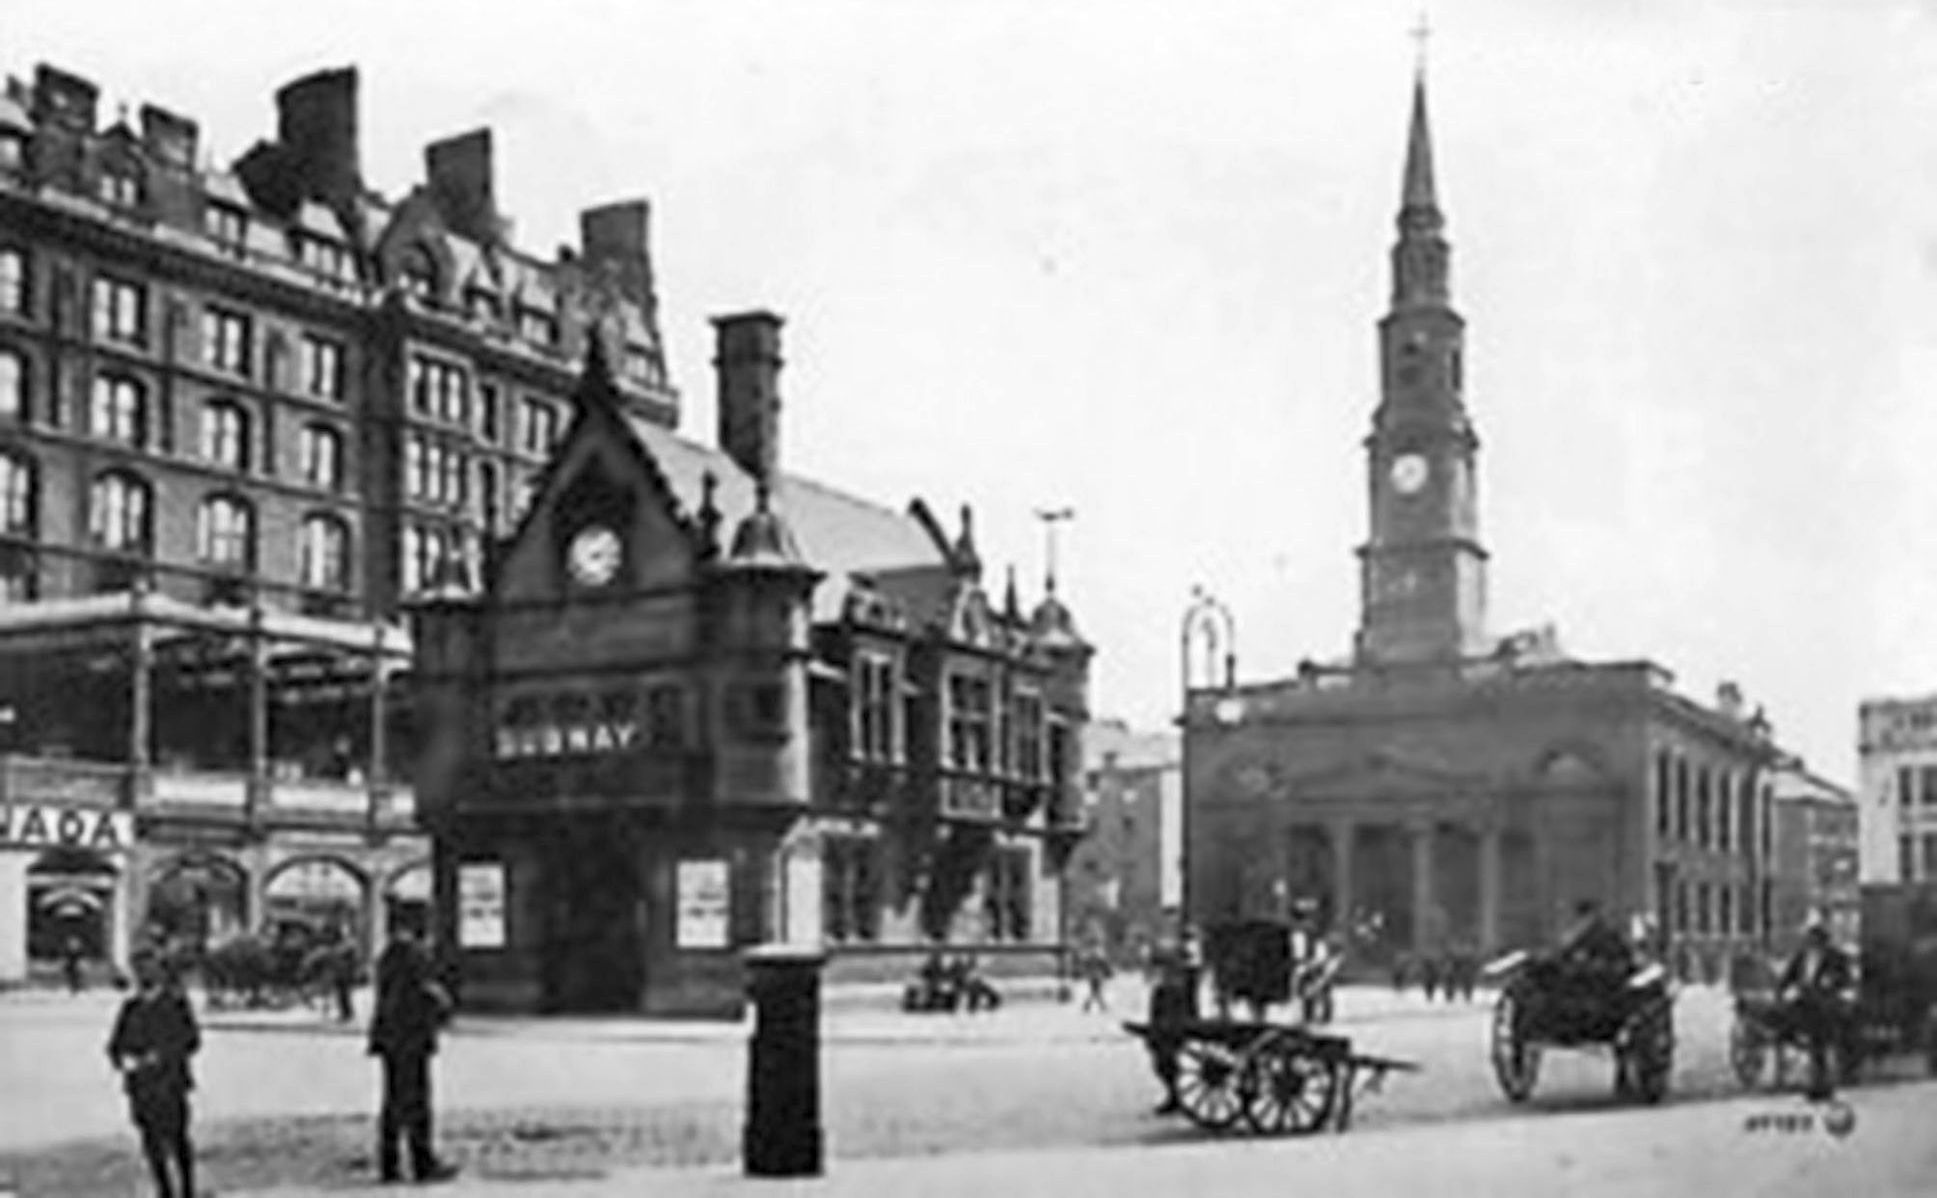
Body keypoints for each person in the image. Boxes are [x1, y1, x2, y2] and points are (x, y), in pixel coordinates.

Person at [107, 948, 200, 1198]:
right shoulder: (131, 1008)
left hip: (171, 1083)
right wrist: (124, 1060)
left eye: (148, 967)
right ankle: (164, 1190)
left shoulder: (175, 1003)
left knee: (178, 1138)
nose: (143, 974)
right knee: (150, 1141)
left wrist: (163, 1056)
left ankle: (187, 1188)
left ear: (159, 970)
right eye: (138, 969)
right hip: (141, 1086)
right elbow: (115, 1045)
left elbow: (191, 1040)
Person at [368, 929, 459, 1184]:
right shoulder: (412, 953)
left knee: (393, 1101)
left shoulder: (389, 953)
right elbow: (424, 991)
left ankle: (390, 1163)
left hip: (392, 1037)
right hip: (411, 1035)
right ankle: (422, 1161)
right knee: (416, 1101)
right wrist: (442, 1004)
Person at [1777, 921, 1856, 1101]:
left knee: (1819, 1046)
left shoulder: (1836, 958)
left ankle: (1821, 1086)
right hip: (1805, 1004)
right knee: (1813, 1046)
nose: (1813, 943)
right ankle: (1814, 1082)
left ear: (1823, 941)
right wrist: (1781, 993)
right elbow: (1787, 978)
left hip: (1825, 1006)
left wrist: (1832, 984)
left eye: (1817, 940)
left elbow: (1846, 980)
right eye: (1810, 939)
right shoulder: (1801, 957)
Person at [1144, 937, 1199, 1115]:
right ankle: (1173, 1094)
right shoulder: (1163, 989)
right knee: (1162, 1062)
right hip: (1165, 1028)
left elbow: (1189, 1010)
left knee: (1165, 1061)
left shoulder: (1179, 986)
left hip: (1172, 1028)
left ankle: (1174, 1095)